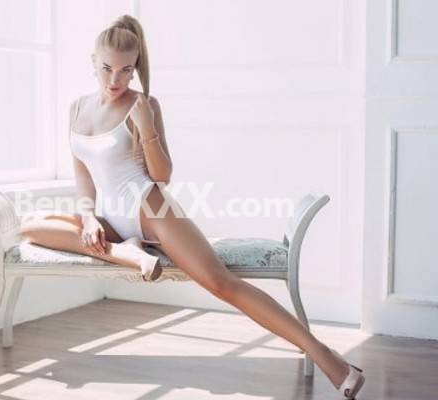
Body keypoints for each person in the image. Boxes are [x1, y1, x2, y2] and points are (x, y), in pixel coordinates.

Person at [20, 14, 365, 399]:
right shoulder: (76, 108)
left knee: (221, 283)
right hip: (110, 218)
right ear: (92, 61)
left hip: (149, 208)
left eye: (126, 71)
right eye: (106, 69)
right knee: (30, 224)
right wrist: (87, 218)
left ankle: (328, 358)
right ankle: (126, 253)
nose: (115, 80)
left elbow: (162, 175)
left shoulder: (143, 104)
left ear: (135, 68)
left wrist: (147, 127)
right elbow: (83, 176)